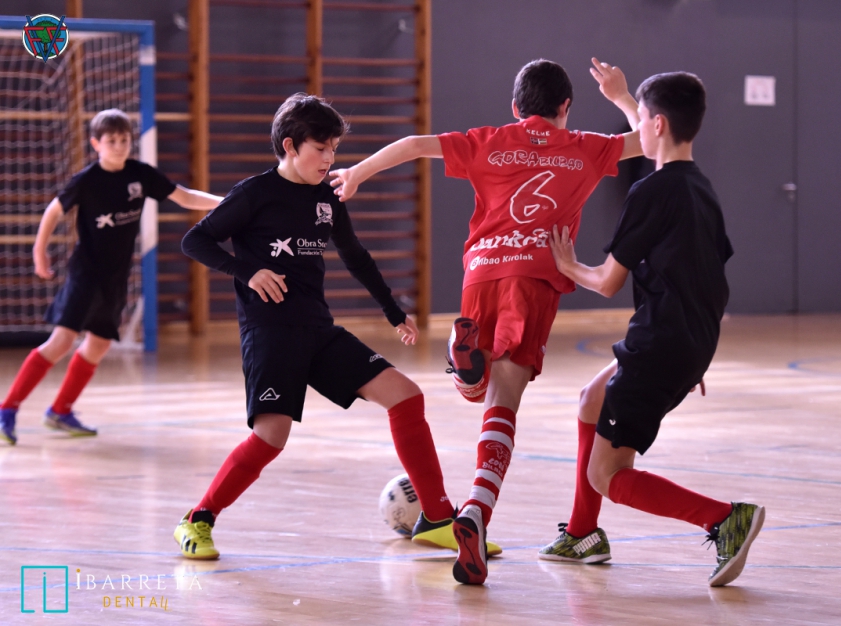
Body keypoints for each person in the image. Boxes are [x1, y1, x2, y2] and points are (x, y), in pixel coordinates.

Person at [331, 58, 644, 584]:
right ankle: (476, 510)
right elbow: (650, 141)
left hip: (480, 273)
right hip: (535, 278)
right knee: (504, 401)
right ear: (566, 106)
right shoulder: (585, 147)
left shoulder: (489, 140)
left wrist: (357, 173)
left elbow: (414, 145)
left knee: (478, 390)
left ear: (515, 107)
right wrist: (621, 96)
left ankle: (464, 368)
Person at [173, 93, 498, 560]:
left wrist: (393, 310)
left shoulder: (328, 198)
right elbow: (195, 239)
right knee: (271, 437)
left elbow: (355, 256)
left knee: (406, 396)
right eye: (320, 148)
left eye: (334, 149)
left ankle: (437, 517)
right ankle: (198, 519)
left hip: (319, 331)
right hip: (270, 334)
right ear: (290, 146)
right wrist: (248, 271)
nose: (329, 158)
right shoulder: (254, 193)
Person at [538, 72, 764, 587]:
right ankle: (581, 534)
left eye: (639, 118)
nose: (634, 126)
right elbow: (713, 275)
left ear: (656, 124)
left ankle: (724, 519)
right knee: (591, 400)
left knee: (607, 474)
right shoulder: (701, 190)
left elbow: (607, 281)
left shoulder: (651, 191)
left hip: (661, 341)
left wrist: (569, 265)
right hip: (687, 337)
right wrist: (695, 351)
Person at [0, 108, 222, 446]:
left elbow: (184, 196)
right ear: (96, 144)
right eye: (111, 141)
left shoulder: (140, 174)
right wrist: (39, 250)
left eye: (124, 140)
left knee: (100, 343)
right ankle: (7, 409)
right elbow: (54, 210)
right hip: (85, 273)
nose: (119, 146)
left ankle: (60, 411)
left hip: (115, 277)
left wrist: (225, 202)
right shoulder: (87, 180)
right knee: (61, 342)